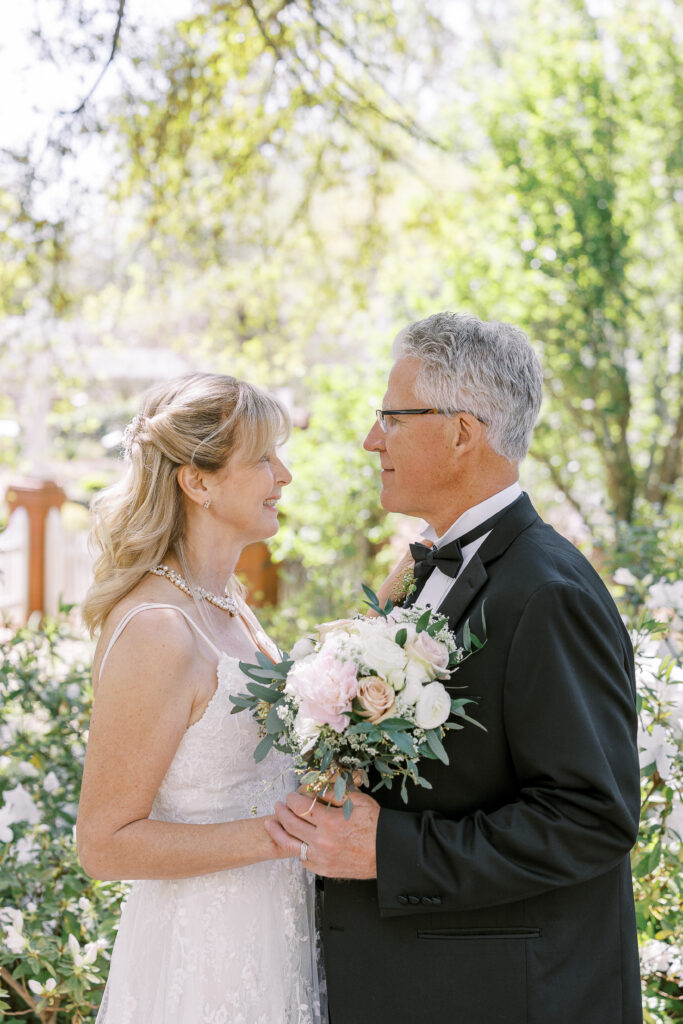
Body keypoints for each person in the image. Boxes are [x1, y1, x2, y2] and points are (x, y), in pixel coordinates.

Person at [266, 313, 642, 1024]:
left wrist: (391, 850)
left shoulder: (547, 593)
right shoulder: (420, 572)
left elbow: (591, 818)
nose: (370, 439)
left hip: (502, 996)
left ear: (461, 432)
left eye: (390, 417)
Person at [77, 372, 323, 1024]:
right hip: (203, 960)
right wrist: (276, 835)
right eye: (264, 459)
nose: (285, 476)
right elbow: (103, 843)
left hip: (277, 932)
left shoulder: (230, 604)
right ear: (199, 482)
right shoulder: (159, 629)